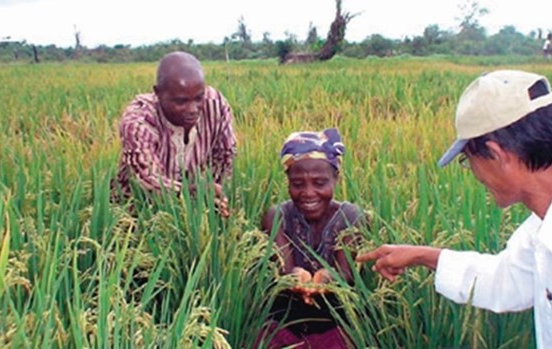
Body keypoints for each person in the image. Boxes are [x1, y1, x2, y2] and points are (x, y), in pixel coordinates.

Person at [357, 70, 552, 348]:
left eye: (468, 160)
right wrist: (421, 256)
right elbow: (507, 280)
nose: (473, 173)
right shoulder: (548, 219)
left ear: (496, 154)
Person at [255, 128, 365, 349]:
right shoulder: (277, 216)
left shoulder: (351, 217)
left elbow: (345, 273)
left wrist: (325, 277)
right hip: (284, 321)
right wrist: (297, 276)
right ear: (288, 181)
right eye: (297, 184)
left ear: (336, 179)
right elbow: (284, 270)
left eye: (320, 183)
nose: (308, 193)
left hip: (335, 322)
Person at [112, 51, 236, 216]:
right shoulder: (139, 119)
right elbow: (147, 178)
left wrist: (217, 198)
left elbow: (225, 157)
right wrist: (195, 193)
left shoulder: (215, 105)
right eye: (180, 101)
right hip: (140, 207)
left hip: (197, 205)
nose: (193, 110)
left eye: (198, 98)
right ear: (158, 93)